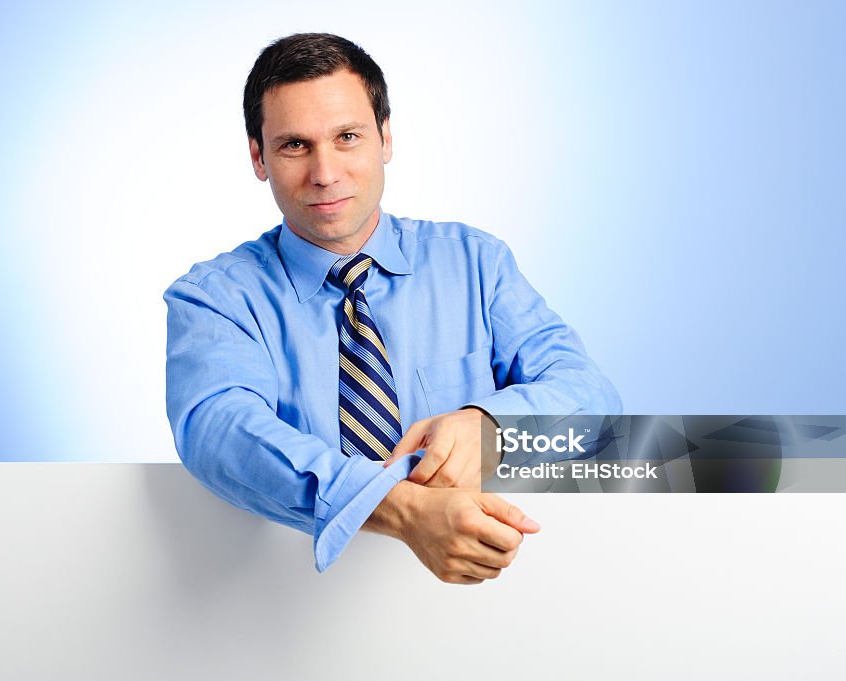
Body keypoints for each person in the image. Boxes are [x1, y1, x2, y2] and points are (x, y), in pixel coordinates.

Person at [164, 33, 621, 584]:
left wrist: (491, 426)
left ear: (385, 138)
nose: (325, 172)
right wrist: (402, 511)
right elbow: (219, 431)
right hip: (283, 617)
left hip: (490, 608)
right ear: (259, 157)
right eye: (294, 146)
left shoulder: (476, 263)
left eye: (347, 136)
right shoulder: (214, 298)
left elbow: (592, 399)